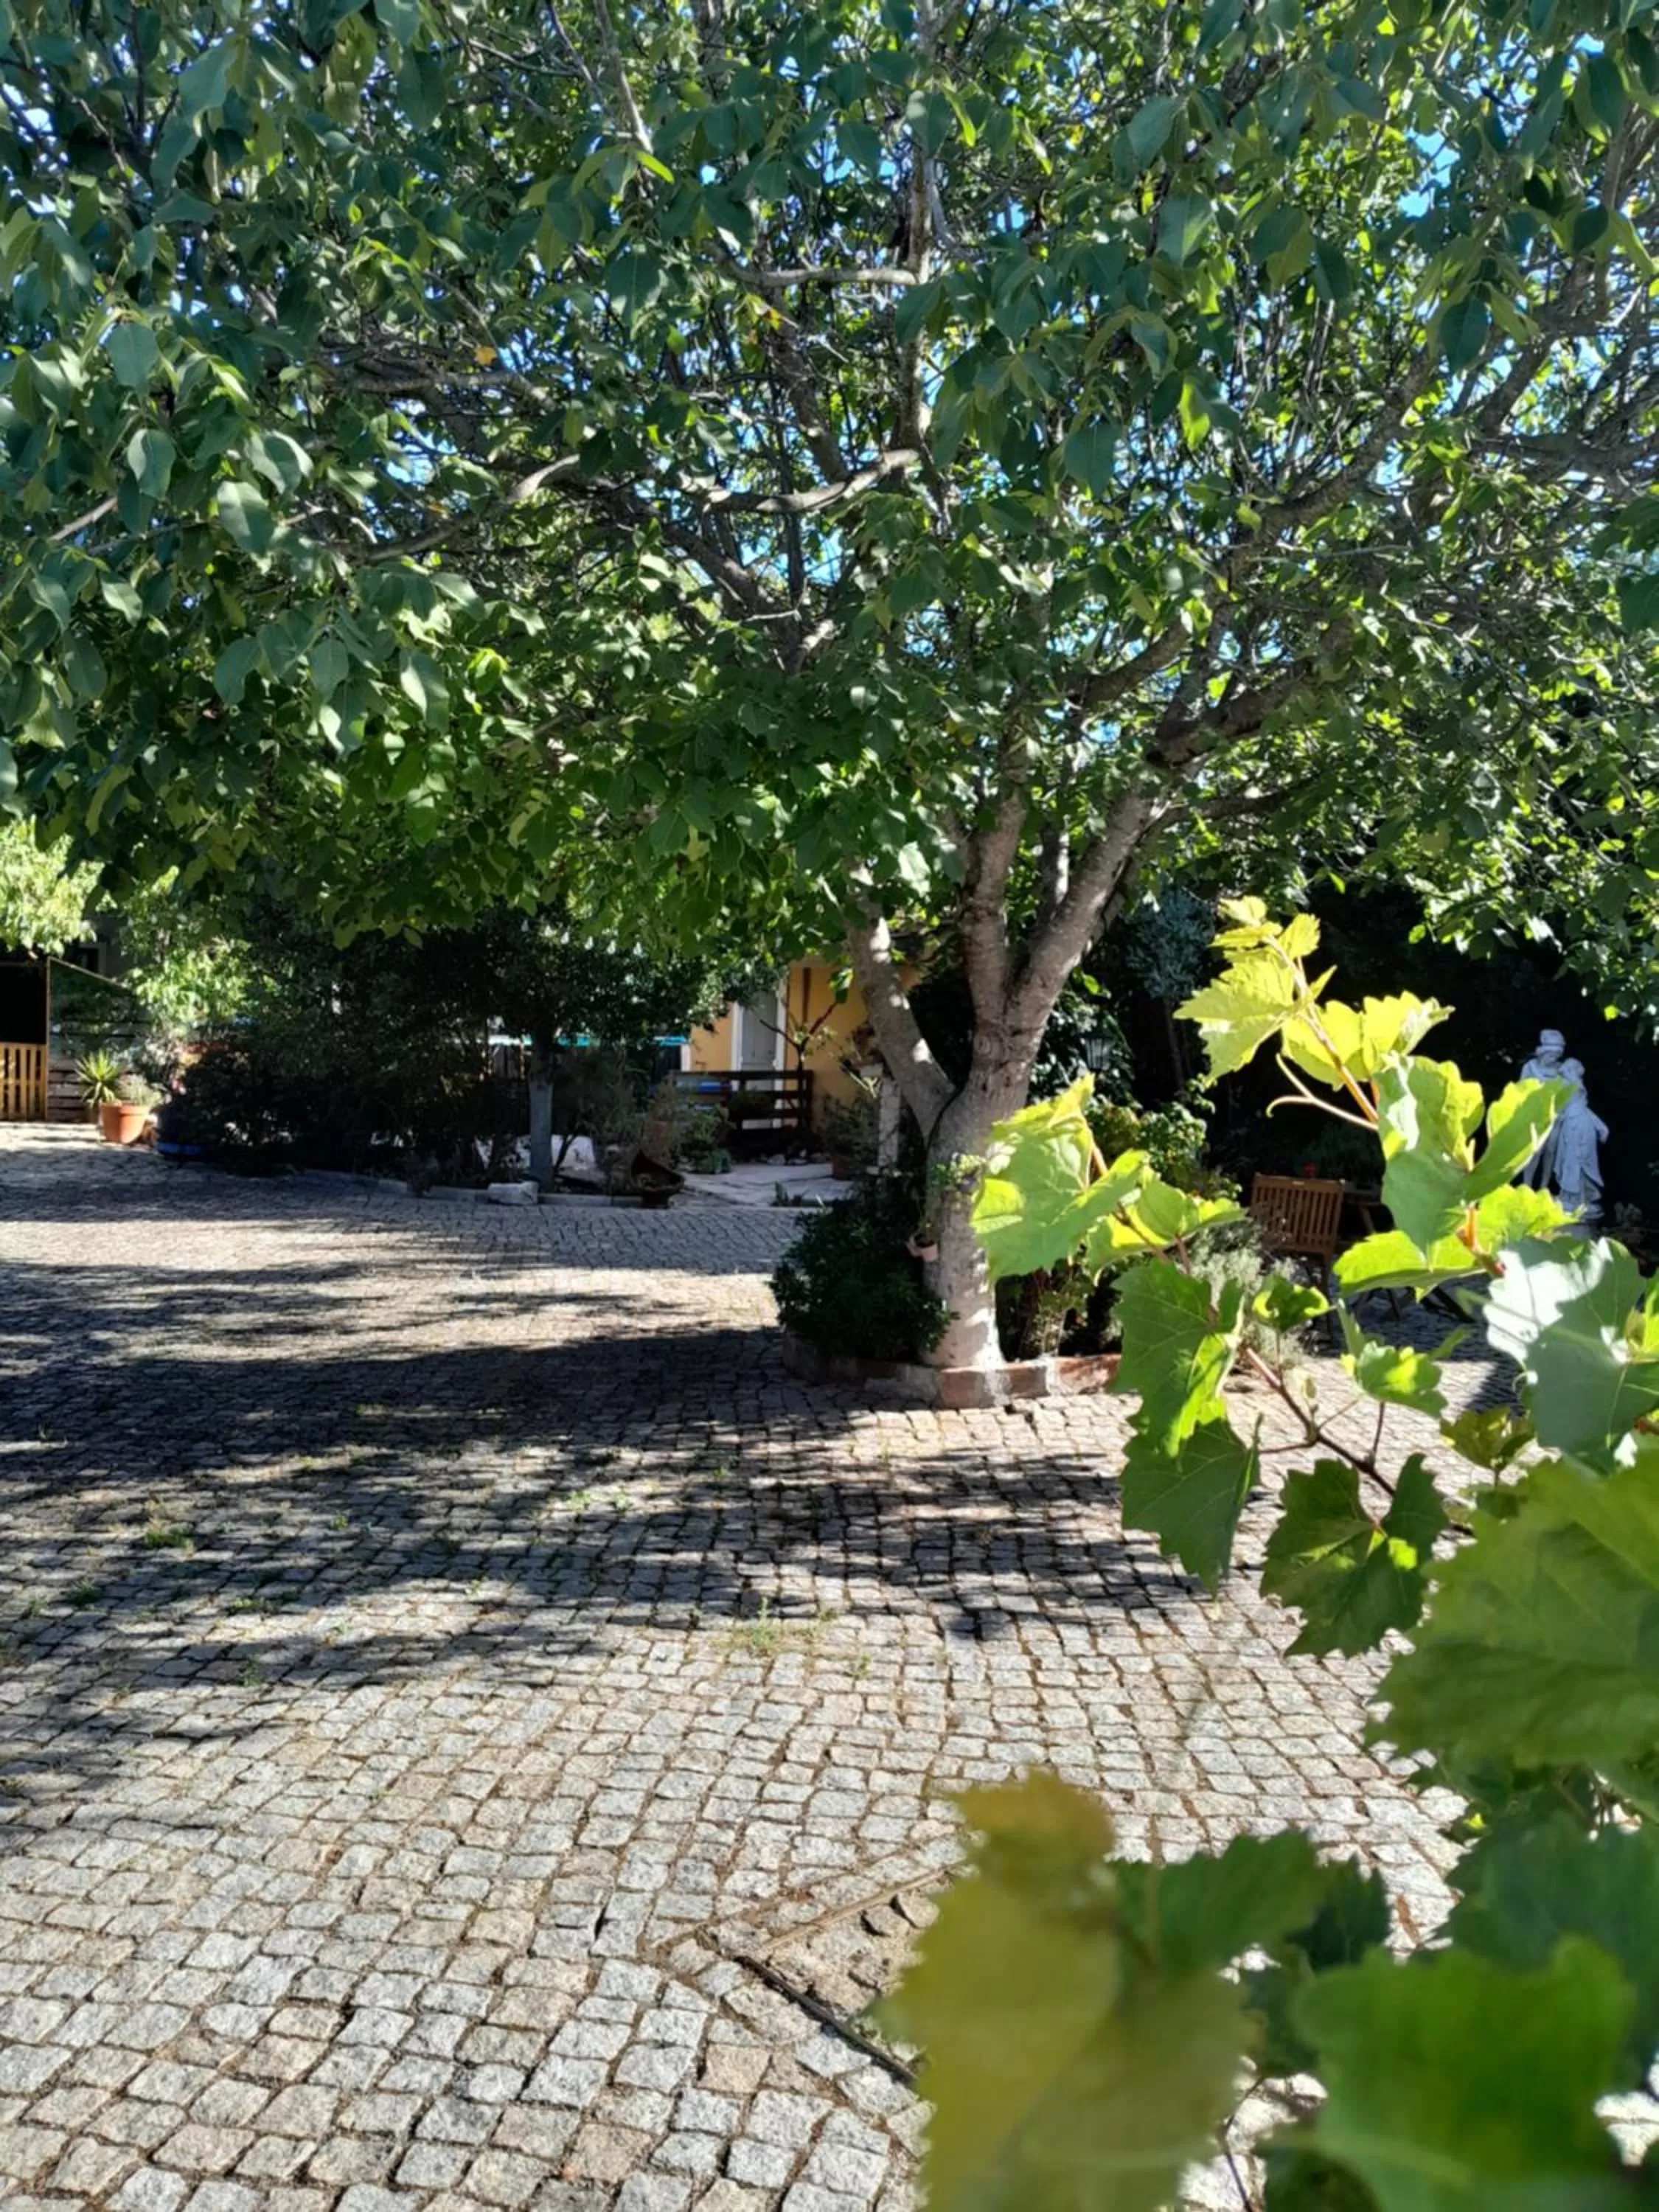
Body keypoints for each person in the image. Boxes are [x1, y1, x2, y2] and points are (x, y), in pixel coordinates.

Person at [1553, 1059, 1607, 1223]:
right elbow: (1559, 1108)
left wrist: (1600, 1126)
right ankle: (1572, 1198)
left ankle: (1579, 1199)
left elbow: (1581, 1109)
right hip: (1572, 1125)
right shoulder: (1565, 1084)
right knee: (1570, 1161)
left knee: (1579, 1160)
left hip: (1579, 1125)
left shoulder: (1572, 1084)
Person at [1519, 1029, 1567, 1190]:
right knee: (1535, 1151)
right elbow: (1520, 1091)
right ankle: (1527, 1184)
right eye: (1552, 1055)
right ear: (1544, 1053)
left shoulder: (1562, 1070)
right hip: (1536, 1116)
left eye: (1557, 1056)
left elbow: (1568, 1093)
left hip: (1556, 1116)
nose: (1555, 1059)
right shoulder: (1530, 1067)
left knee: (1551, 1151)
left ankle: (1544, 1186)